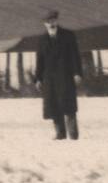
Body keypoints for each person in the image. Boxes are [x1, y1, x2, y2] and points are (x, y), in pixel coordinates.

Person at [32, 10, 83, 140]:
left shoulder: (68, 36)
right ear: (45, 24)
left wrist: (77, 73)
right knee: (53, 106)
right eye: (48, 22)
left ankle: (73, 134)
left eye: (53, 21)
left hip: (65, 76)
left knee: (69, 106)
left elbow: (75, 56)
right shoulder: (42, 40)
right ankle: (60, 134)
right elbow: (40, 61)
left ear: (57, 21)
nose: (51, 24)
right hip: (49, 78)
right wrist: (38, 78)